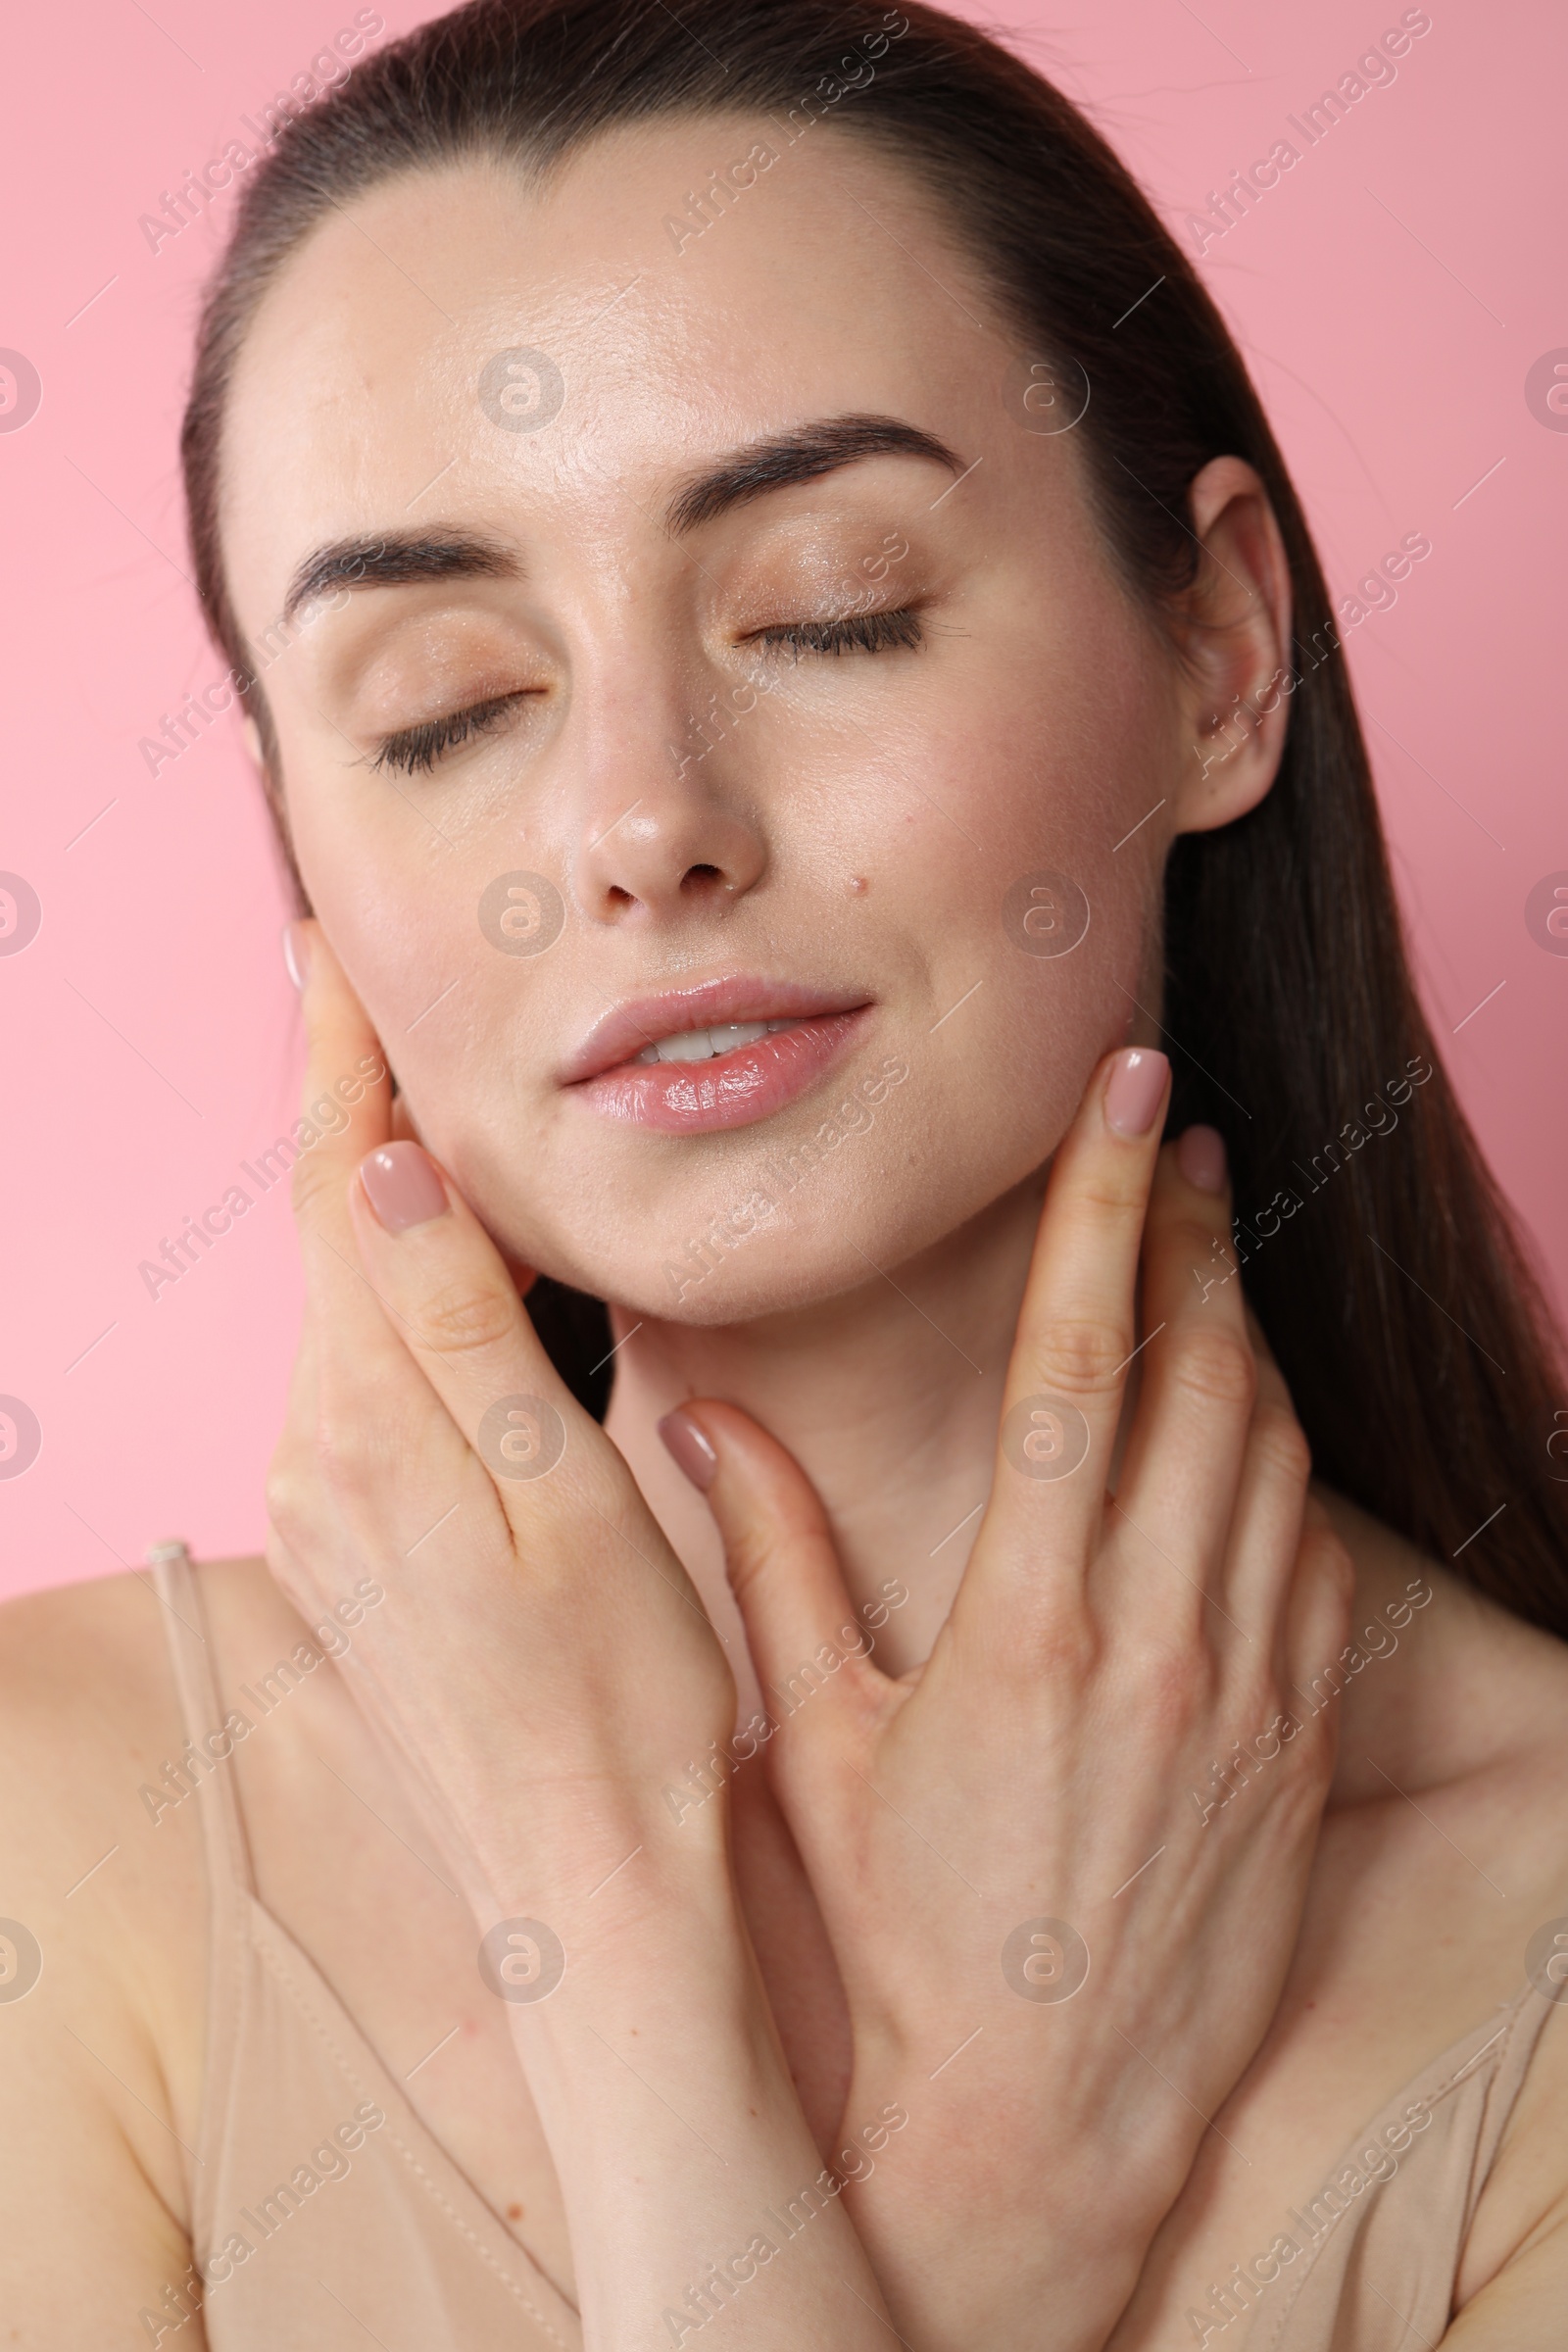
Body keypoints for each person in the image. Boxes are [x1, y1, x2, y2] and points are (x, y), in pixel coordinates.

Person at [3, 2, 1565, 2345]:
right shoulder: (62, 1831)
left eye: (829, 604)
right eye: (444, 705)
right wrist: (928, 2152)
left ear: (1221, 652)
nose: (637, 828)